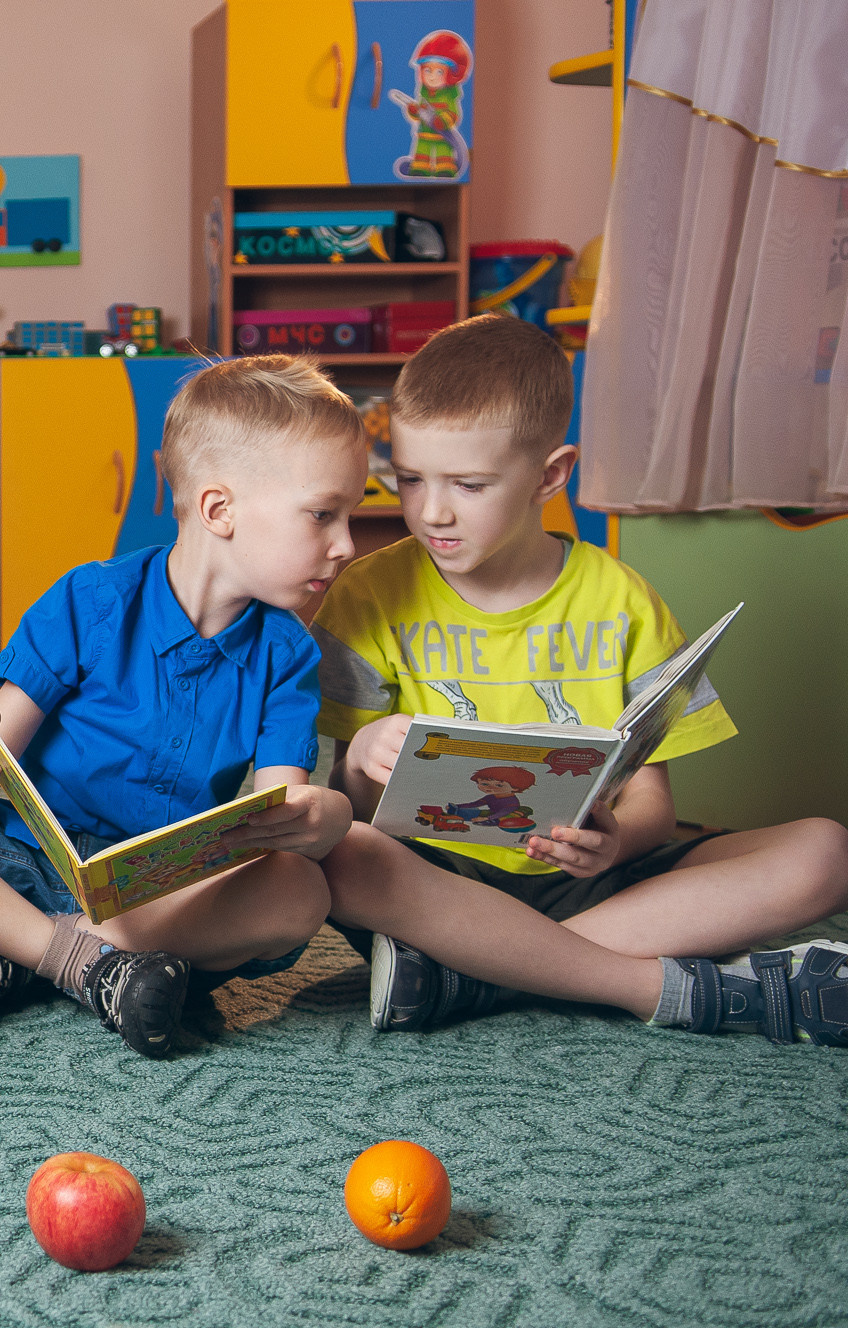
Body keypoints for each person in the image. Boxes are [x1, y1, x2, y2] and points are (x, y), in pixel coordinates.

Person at [0, 356, 365, 1057]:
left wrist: (321, 818)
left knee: (300, 891)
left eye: (348, 516)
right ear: (218, 510)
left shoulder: (287, 654)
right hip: (14, 859)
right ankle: (78, 961)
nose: (346, 545)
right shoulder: (91, 600)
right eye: (323, 515)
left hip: (156, 902)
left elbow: (272, 819)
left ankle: (12, 958)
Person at [318, 315, 848, 1044]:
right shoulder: (368, 593)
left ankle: (473, 975)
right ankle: (628, 979)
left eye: (469, 484)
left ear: (551, 474)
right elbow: (351, 804)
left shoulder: (624, 601)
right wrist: (359, 758)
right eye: (409, 478)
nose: (431, 511)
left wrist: (614, 842)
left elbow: (653, 804)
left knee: (824, 851)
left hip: (591, 884)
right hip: (437, 885)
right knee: (333, 853)